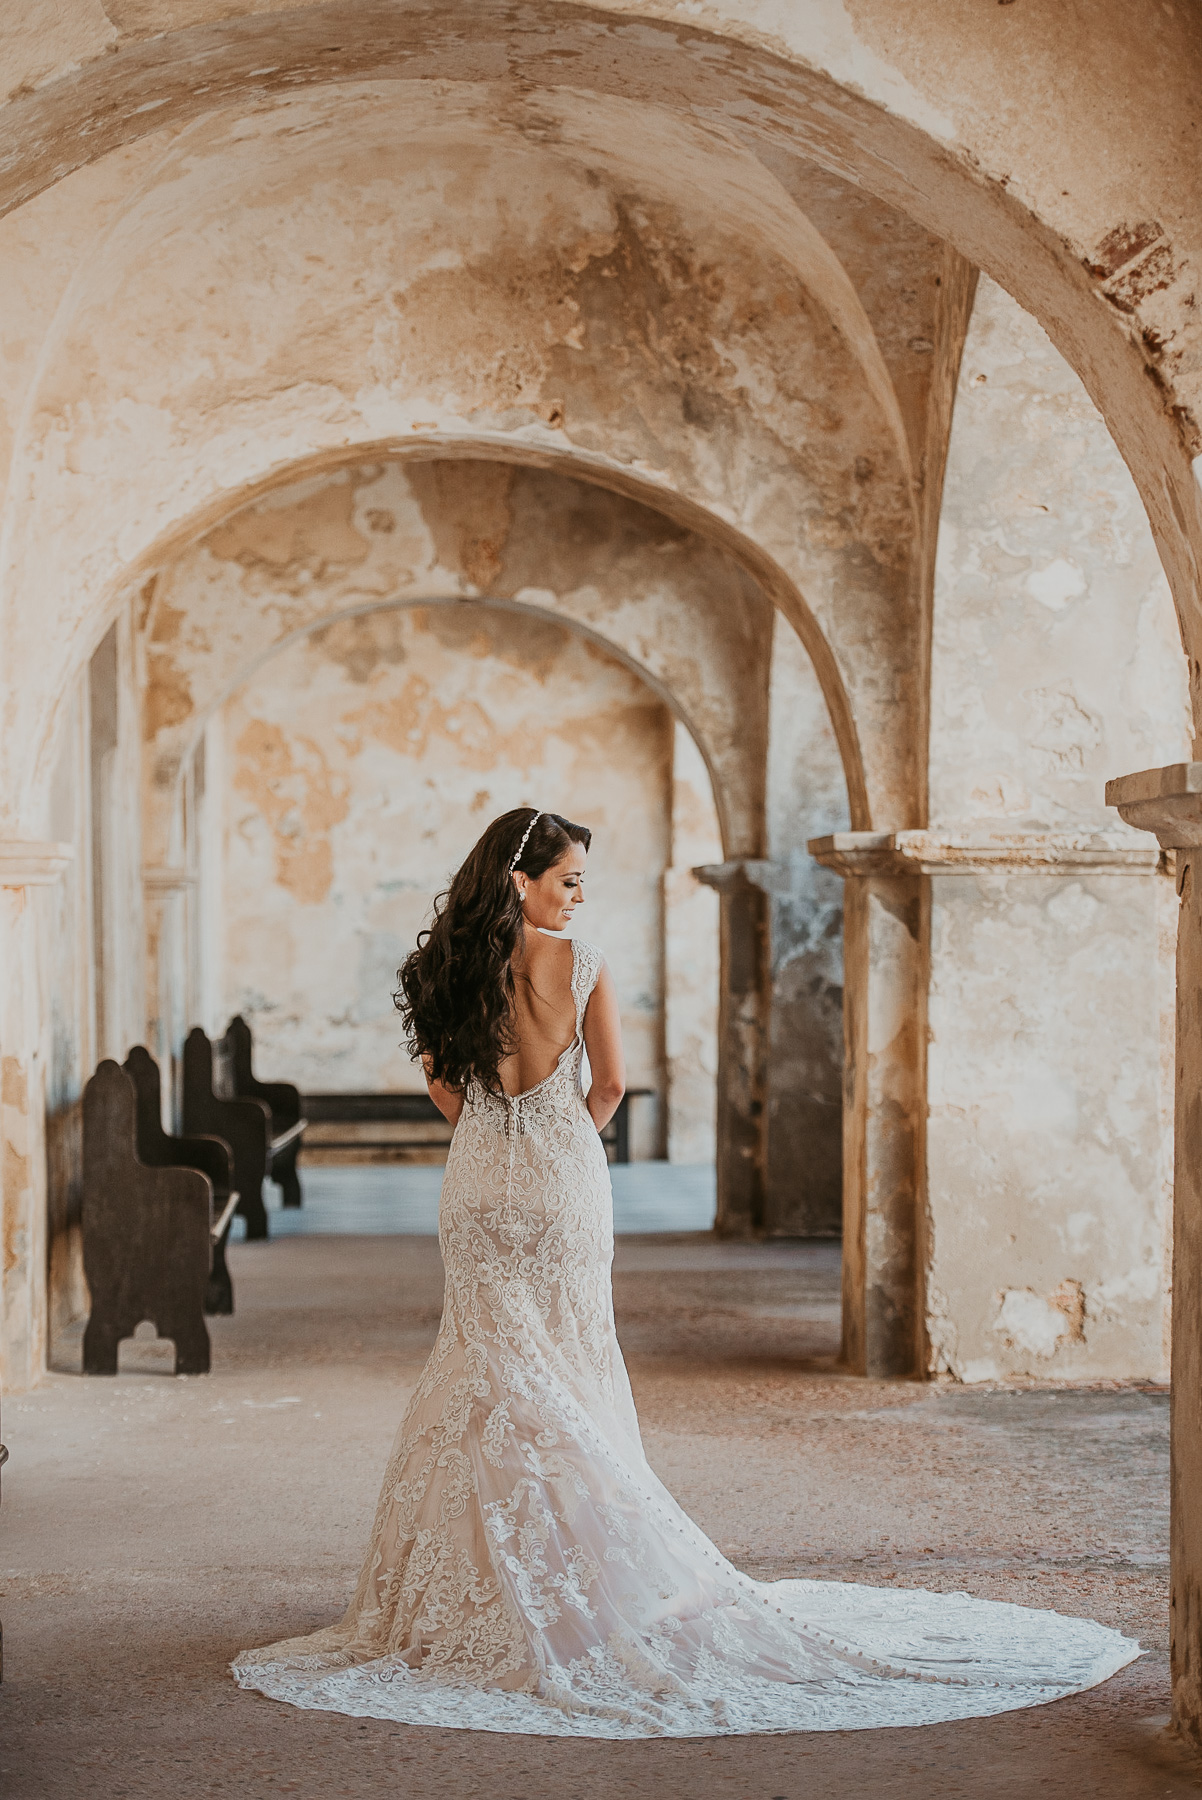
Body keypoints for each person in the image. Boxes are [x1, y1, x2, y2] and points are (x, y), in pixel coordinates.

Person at [233, 807, 1138, 1737]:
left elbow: (445, 1087)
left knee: (482, 1370)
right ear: (521, 880)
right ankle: (600, 1584)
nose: (581, 896)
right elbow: (611, 1087)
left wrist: (491, 1135)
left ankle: (475, 1592)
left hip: (474, 1183)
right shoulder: (579, 966)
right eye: (569, 880)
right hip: (561, 1174)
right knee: (573, 1365)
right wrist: (558, 1143)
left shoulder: (440, 970)